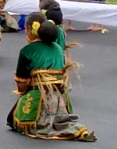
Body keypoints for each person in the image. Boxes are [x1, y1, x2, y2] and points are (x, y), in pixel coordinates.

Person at [7, 13, 96, 141]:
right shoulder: (58, 48)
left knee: (15, 120)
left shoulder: (27, 50)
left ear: (28, 28)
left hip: (38, 96)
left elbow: (22, 83)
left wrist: (24, 89)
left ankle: (41, 122)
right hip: (60, 98)